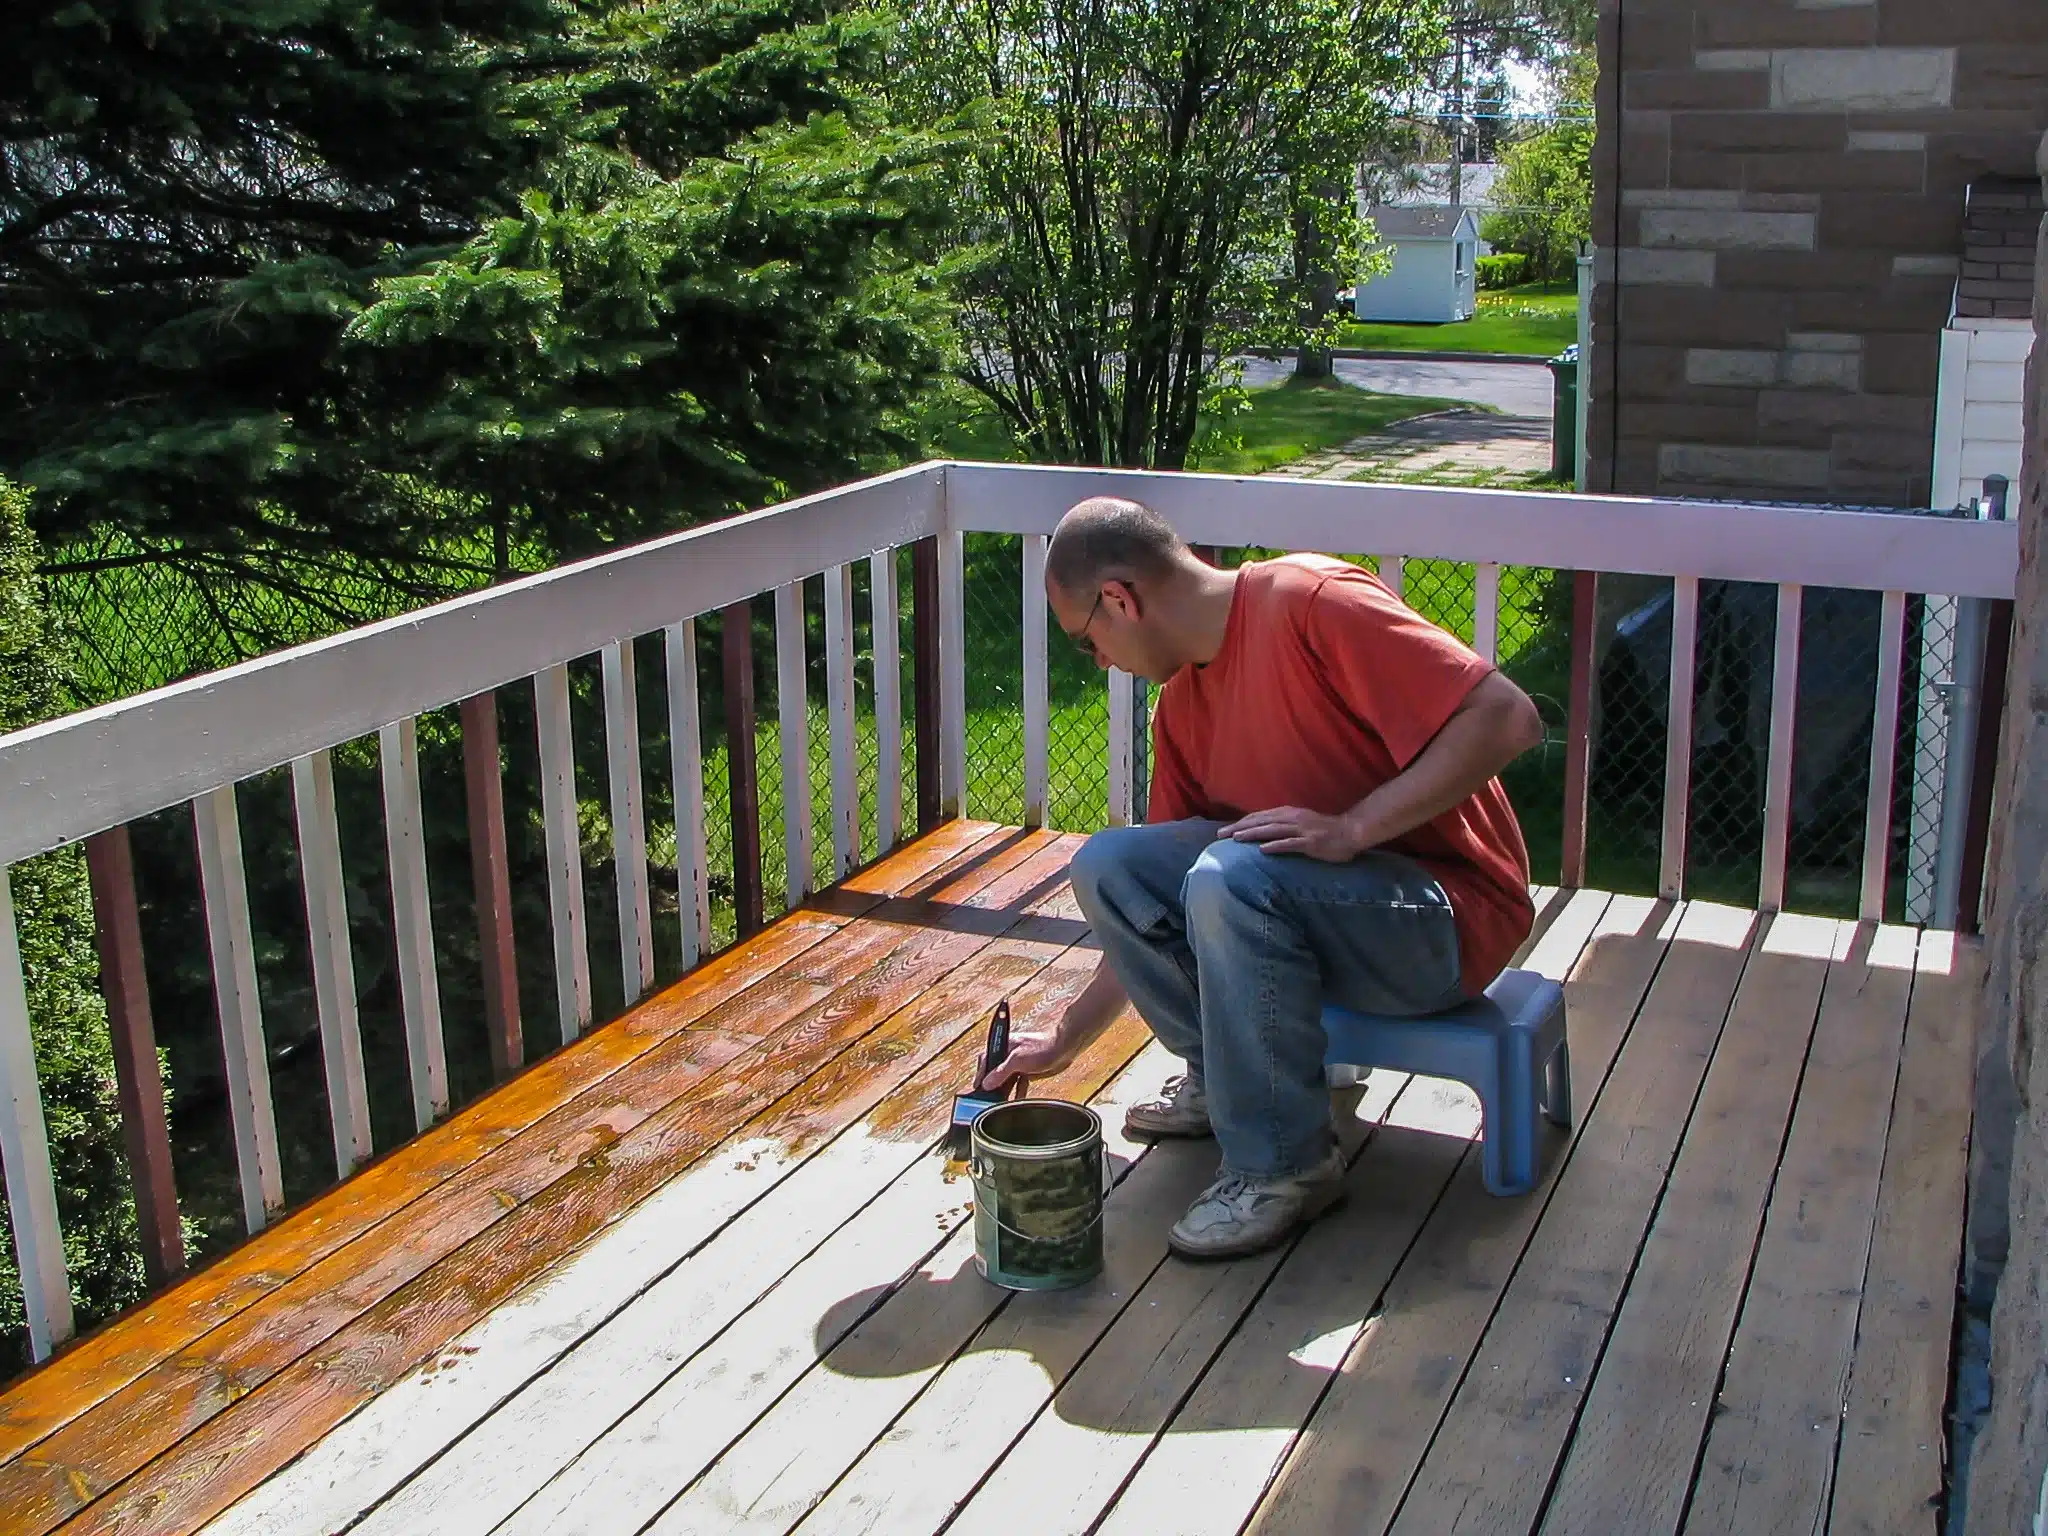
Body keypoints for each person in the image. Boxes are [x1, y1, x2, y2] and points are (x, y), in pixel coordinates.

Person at [983, 495, 1544, 1259]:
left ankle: (1285, 1165)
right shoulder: (1183, 710)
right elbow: (1155, 911)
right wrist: (1065, 1040)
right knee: (1112, 865)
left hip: (1445, 920)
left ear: (1120, 598)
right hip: (1318, 929)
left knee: (1233, 874)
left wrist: (1352, 830)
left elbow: (1509, 718)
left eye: (1088, 642)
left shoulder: (1313, 602)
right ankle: (1226, 1087)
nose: (1103, 662)